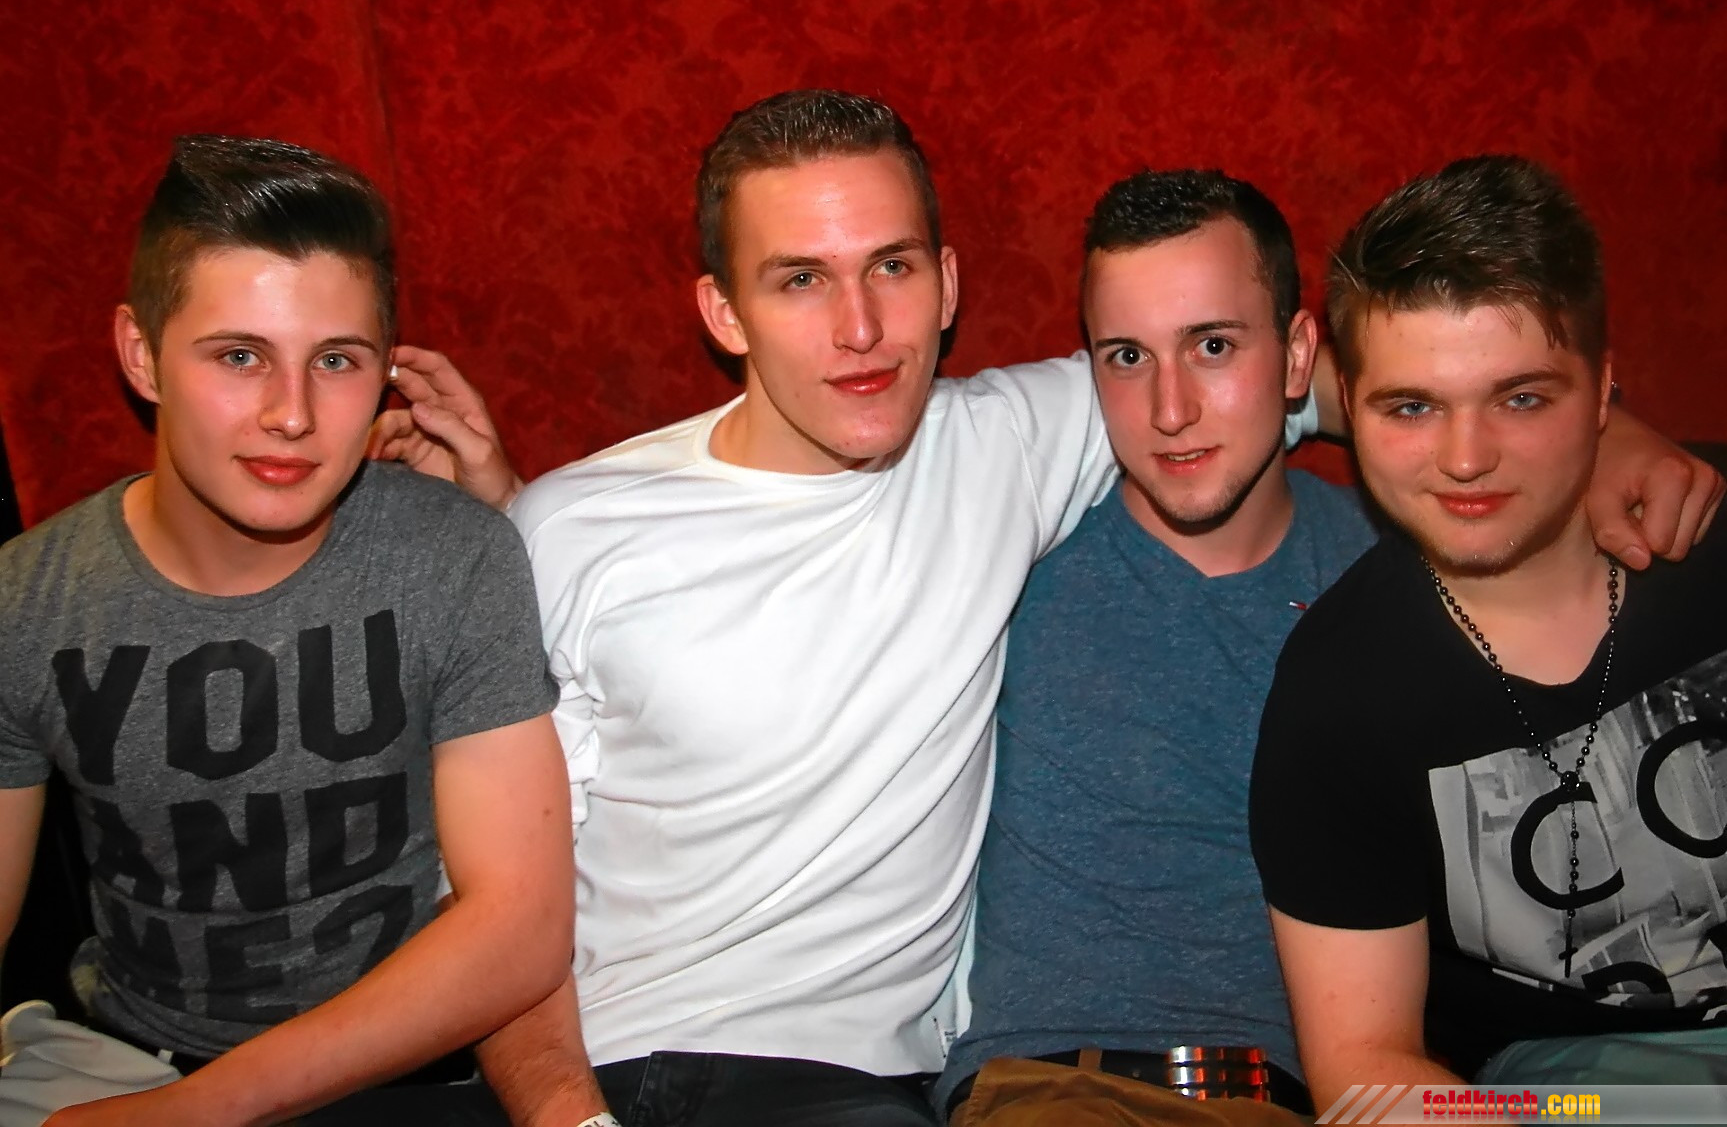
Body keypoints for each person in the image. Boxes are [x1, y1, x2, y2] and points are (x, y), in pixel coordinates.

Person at [370, 94, 1723, 1127]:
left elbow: (1425, 383)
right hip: (959, 1086)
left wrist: (1600, 432)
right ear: (723, 311)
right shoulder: (604, 527)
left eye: (890, 268)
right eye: (799, 279)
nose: (1169, 406)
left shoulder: (1331, 560)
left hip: (1171, 1092)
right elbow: (514, 866)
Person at [0, 135, 576, 1127]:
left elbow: (519, 930)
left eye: (337, 361)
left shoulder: (454, 556)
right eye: (239, 356)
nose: (293, 414)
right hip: (117, 1060)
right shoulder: (28, 598)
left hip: (403, 1064)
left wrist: (200, 1115)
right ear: (142, 354)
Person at [1250, 155, 1727, 1109]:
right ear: (1351, 409)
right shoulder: (1337, 699)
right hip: (1566, 1101)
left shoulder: (1707, 537)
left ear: (1603, 391)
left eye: (1520, 398)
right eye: (1412, 407)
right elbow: (1365, 1072)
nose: (1465, 459)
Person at [935, 169, 1369, 1127]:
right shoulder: (1012, 560)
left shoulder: (1384, 580)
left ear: (1297, 355)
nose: (1170, 409)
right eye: (1127, 357)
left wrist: (1605, 443)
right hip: (1052, 1088)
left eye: (1213, 346)